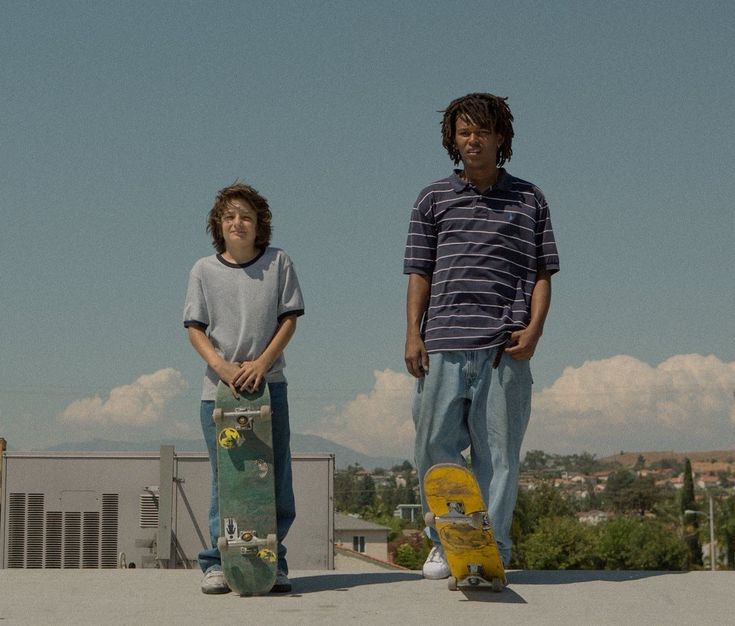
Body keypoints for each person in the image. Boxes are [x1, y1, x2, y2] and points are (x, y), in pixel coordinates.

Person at [403, 93, 559, 579]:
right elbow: (419, 272)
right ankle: (445, 541)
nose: (473, 140)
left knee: (499, 458)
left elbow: (542, 273)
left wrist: (534, 332)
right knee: (433, 448)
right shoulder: (432, 198)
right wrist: (413, 333)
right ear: (453, 139)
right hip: (443, 343)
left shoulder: (530, 198)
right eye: (464, 132)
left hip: (503, 349)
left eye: (482, 132)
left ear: (500, 138)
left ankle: (490, 549)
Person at [184, 182, 304, 594]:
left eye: (246, 217)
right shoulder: (203, 270)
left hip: (269, 387)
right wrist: (223, 368)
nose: (238, 223)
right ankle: (217, 561)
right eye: (230, 216)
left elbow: (289, 320)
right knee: (228, 479)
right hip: (220, 392)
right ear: (219, 224)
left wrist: (261, 363)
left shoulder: (279, 263)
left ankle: (274, 559)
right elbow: (195, 329)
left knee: (274, 478)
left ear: (259, 226)